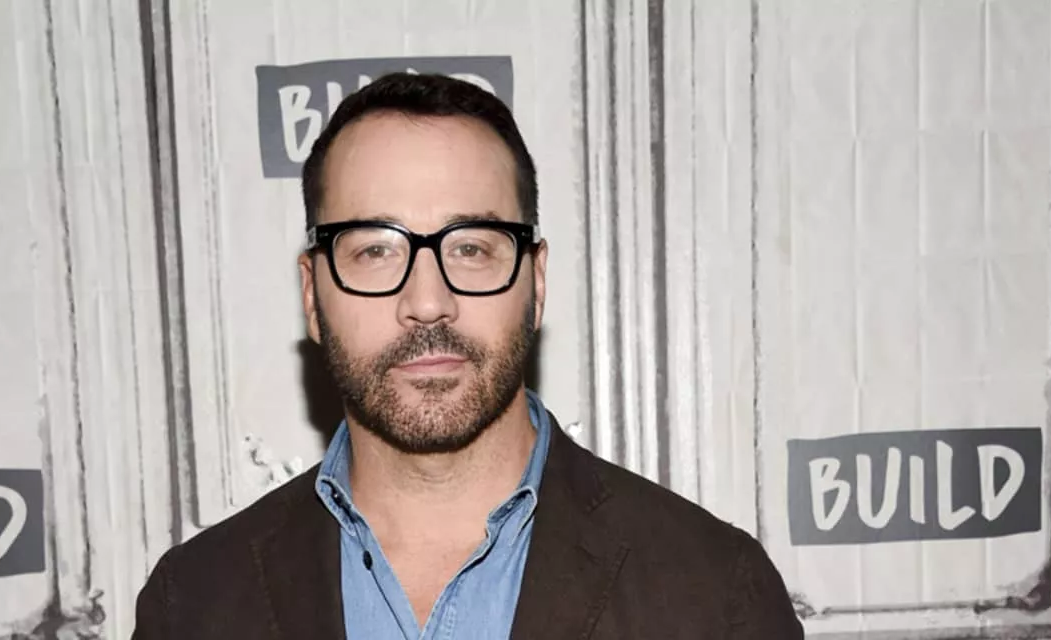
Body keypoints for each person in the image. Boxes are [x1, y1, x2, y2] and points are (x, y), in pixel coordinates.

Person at [132, 72, 803, 639]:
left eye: (472, 248)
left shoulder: (716, 595)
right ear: (312, 295)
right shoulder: (192, 604)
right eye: (375, 250)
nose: (428, 302)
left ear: (536, 282)